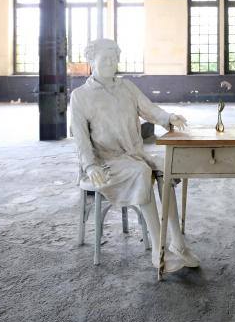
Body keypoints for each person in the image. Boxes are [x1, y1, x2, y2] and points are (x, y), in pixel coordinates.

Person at [70, 38, 199, 273]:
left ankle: (178, 243)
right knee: (142, 172)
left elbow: (149, 108)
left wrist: (168, 117)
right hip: (106, 162)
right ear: (91, 61)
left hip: (134, 154)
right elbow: (80, 138)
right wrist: (90, 166)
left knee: (166, 166)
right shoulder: (81, 96)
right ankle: (159, 253)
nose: (111, 62)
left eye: (114, 57)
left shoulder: (126, 87)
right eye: (105, 58)